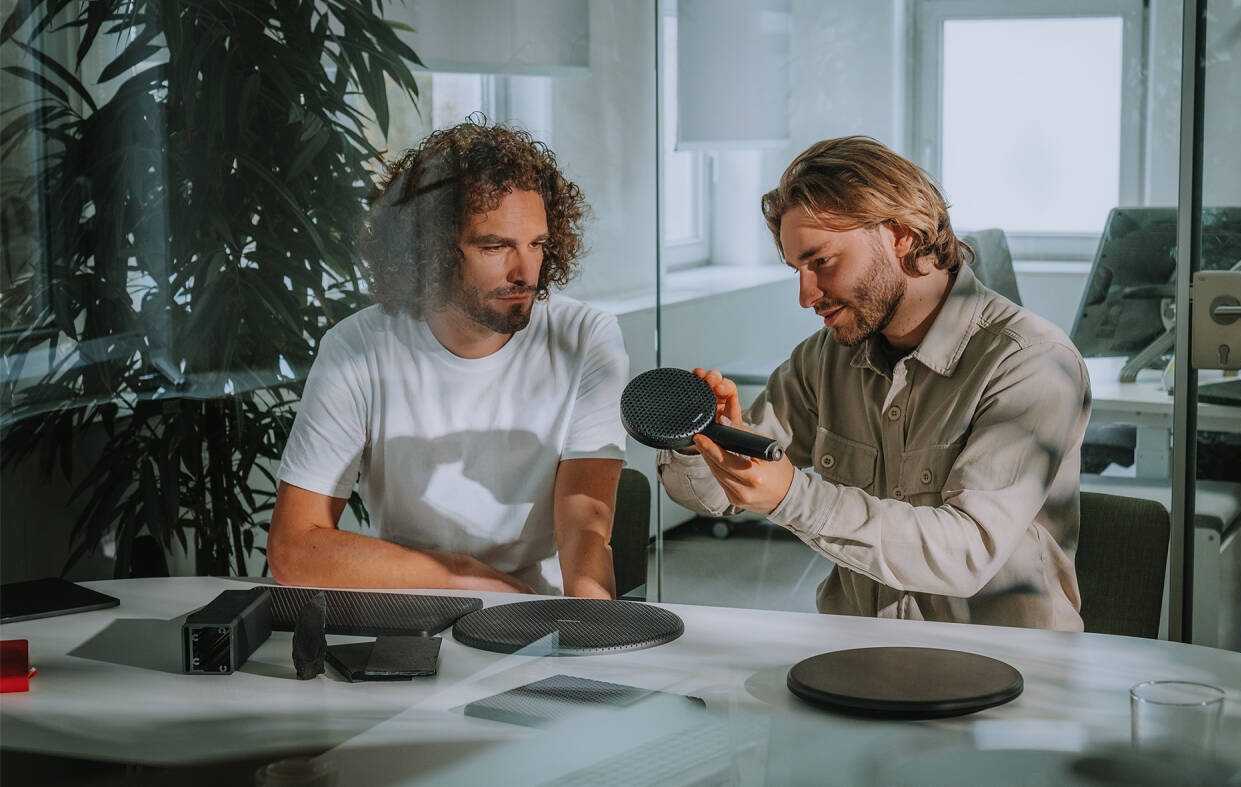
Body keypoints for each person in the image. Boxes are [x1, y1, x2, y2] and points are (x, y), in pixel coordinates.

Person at [658, 136, 1091, 630]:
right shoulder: (824, 360)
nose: (806, 295)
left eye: (821, 261)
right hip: (858, 658)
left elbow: (967, 552)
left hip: (1006, 675)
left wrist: (792, 496)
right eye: (797, 268)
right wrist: (704, 442)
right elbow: (714, 498)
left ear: (901, 234)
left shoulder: (1031, 363)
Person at [268, 117, 628, 599]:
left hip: (537, 612)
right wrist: (468, 578)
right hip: (409, 609)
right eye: (495, 246)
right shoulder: (357, 349)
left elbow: (585, 535)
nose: (525, 272)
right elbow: (294, 550)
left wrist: (593, 632)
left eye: (537, 245)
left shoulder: (586, 338)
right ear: (431, 248)